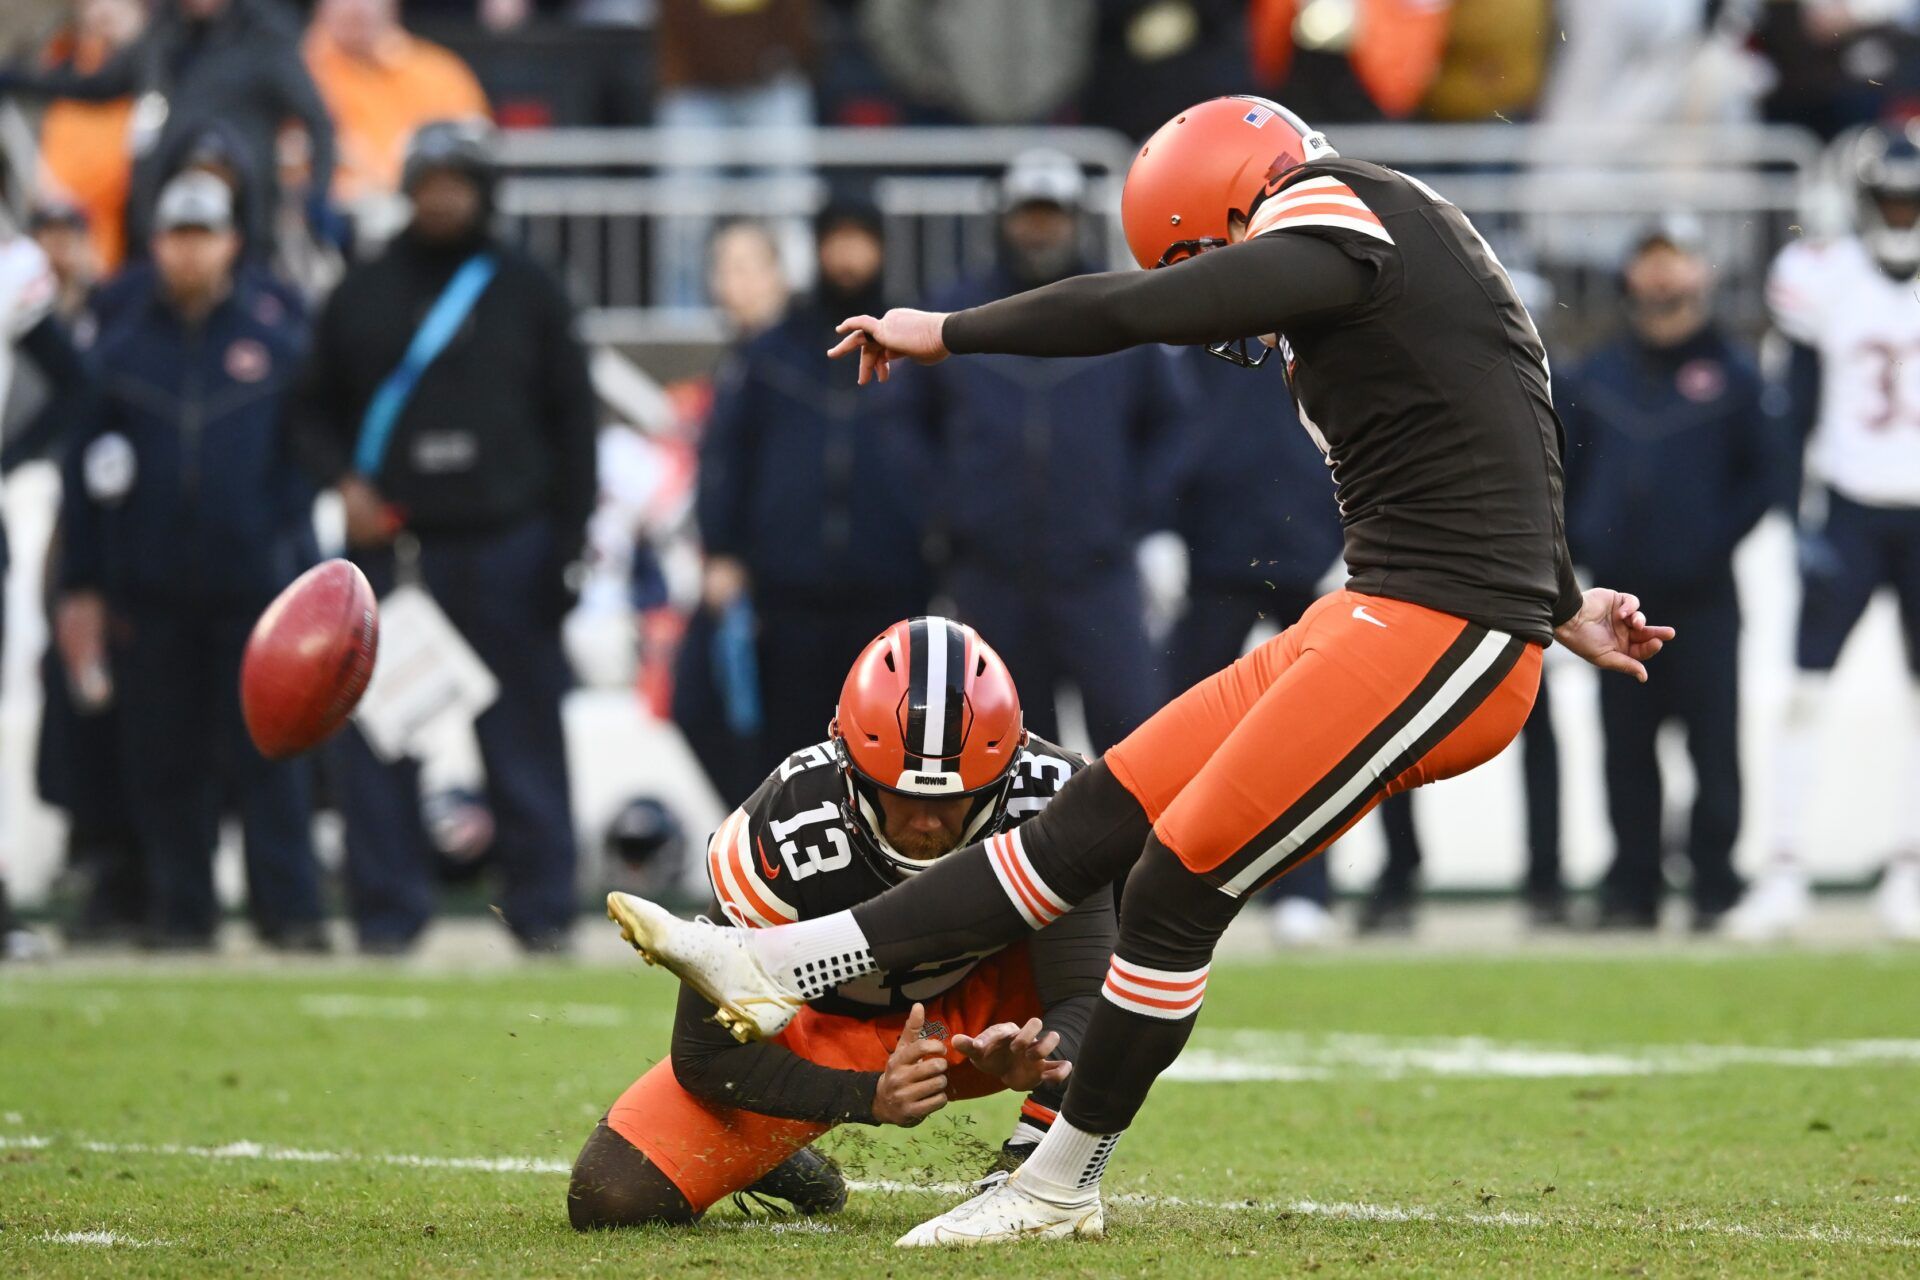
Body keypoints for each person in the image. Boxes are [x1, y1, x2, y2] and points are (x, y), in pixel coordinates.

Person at [603, 94, 1673, 1246]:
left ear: (1233, 204)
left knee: (1178, 879)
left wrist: (948, 328)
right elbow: (1499, 400)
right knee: (1090, 815)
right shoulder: (1403, 236)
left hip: (1441, 628)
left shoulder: (1343, 205)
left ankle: (1060, 1178)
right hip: (1386, 609)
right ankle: (775, 961)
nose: (1223, 304)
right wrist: (1561, 598)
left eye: (1203, 252)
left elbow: (1146, 308)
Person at [576, 618, 1113, 1227]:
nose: (927, 823)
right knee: (612, 1197)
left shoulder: (1051, 796)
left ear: (1005, 773)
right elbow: (704, 1056)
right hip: (820, 1029)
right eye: (902, 794)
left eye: (951, 799)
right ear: (849, 766)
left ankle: (1033, 1162)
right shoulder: (782, 828)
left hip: (980, 1018)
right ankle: (779, 1151)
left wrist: (1042, 1053)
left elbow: (1089, 995)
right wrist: (867, 1098)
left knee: (1155, 954)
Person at [285, 120, 597, 954]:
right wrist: (343, 483)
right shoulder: (363, 288)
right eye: (429, 180)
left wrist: (567, 546)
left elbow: (575, 424)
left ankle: (542, 912)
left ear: (485, 189)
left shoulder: (530, 288)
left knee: (524, 739)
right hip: (399, 550)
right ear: (408, 189)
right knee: (381, 741)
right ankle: (386, 917)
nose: (444, 196)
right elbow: (309, 408)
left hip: (509, 544)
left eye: (460, 180)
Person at [54, 171, 326, 951]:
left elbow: (298, 461)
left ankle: (292, 915)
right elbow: (85, 477)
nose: (189, 251)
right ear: (156, 244)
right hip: (152, 589)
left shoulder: (273, 343)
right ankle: (183, 914)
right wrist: (88, 586)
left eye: (203, 235)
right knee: (164, 761)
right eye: (177, 235)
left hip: (255, 593)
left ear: (231, 243)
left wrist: (283, 547)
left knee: (270, 759)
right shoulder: (119, 349)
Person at [920, 149, 1192, 750]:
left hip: (1098, 572)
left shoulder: (1125, 310)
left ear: (1075, 219)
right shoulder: (958, 316)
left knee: (1137, 743)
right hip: (991, 576)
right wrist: (947, 512)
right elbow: (910, 429)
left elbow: (1173, 424)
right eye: (1027, 215)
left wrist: (1140, 518)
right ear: (1004, 219)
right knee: (1002, 752)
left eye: (1053, 215)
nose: (1039, 230)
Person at [1728, 122, 1920, 941]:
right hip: (1845, 504)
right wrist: (1789, 510)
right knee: (1803, 693)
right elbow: (1792, 405)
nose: (1902, 214)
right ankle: (1783, 868)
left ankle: (1909, 870)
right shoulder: (1823, 277)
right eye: (1892, 199)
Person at [1561, 220, 1776, 932]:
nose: (1663, 281)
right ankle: (1633, 887)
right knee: (1625, 750)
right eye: (1650, 263)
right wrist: (1586, 547)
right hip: (1616, 601)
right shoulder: (1595, 376)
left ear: (1702, 275)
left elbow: (1765, 478)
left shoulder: (1738, 376)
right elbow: (1565, 475)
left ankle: (1716, 884)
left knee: (1714, 747)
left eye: (1675, 263)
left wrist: (1708, 544)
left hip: (1705, 597)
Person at [694, 199, 934, 785]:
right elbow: (727, 454)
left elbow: (953, 454)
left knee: (889, 748)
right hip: (788, 588)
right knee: (791, 753)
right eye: (837, 240)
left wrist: (943, 542)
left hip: (891, 586)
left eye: (861, 241)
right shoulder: (773, 351)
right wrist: (722, 548)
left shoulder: (921, 346)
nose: (848, 257)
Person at [1164, 345, 1344, 943]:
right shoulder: (1199, 325)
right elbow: (1164, 429)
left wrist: (1361, 536)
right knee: (1179, 732)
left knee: (1316, 735)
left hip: (1312, 555)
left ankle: (1307, 888)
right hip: (1215, 556)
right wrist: (1159, 526)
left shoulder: (1327, 324)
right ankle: (1175, 882)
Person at [0, 0, 337, 263]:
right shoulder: (163, 36)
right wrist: (17, 79)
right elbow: (97, 86)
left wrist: (318, 195)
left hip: (242, 226)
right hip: (155, 223)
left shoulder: (264, 37)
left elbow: (318, 121)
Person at [303, 0, 490, 205]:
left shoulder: (440, 74)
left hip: (420, 219)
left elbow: (475, 151)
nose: (356, 6)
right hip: (321, 218)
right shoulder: (298, 72)